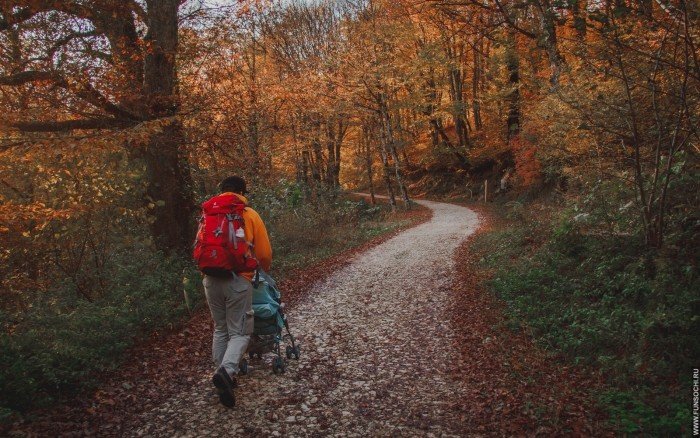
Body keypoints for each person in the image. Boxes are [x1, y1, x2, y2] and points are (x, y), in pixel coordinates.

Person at [201, 176, 272, 407]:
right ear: (242, 191)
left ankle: (223, 374)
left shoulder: (208, 214)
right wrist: (262, 273)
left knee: (221, 328)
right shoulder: (248, 214)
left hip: (210, 278)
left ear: (221, 190)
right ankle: (226, 371)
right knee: (240, 332)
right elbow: (264, 252)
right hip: (238, 280)